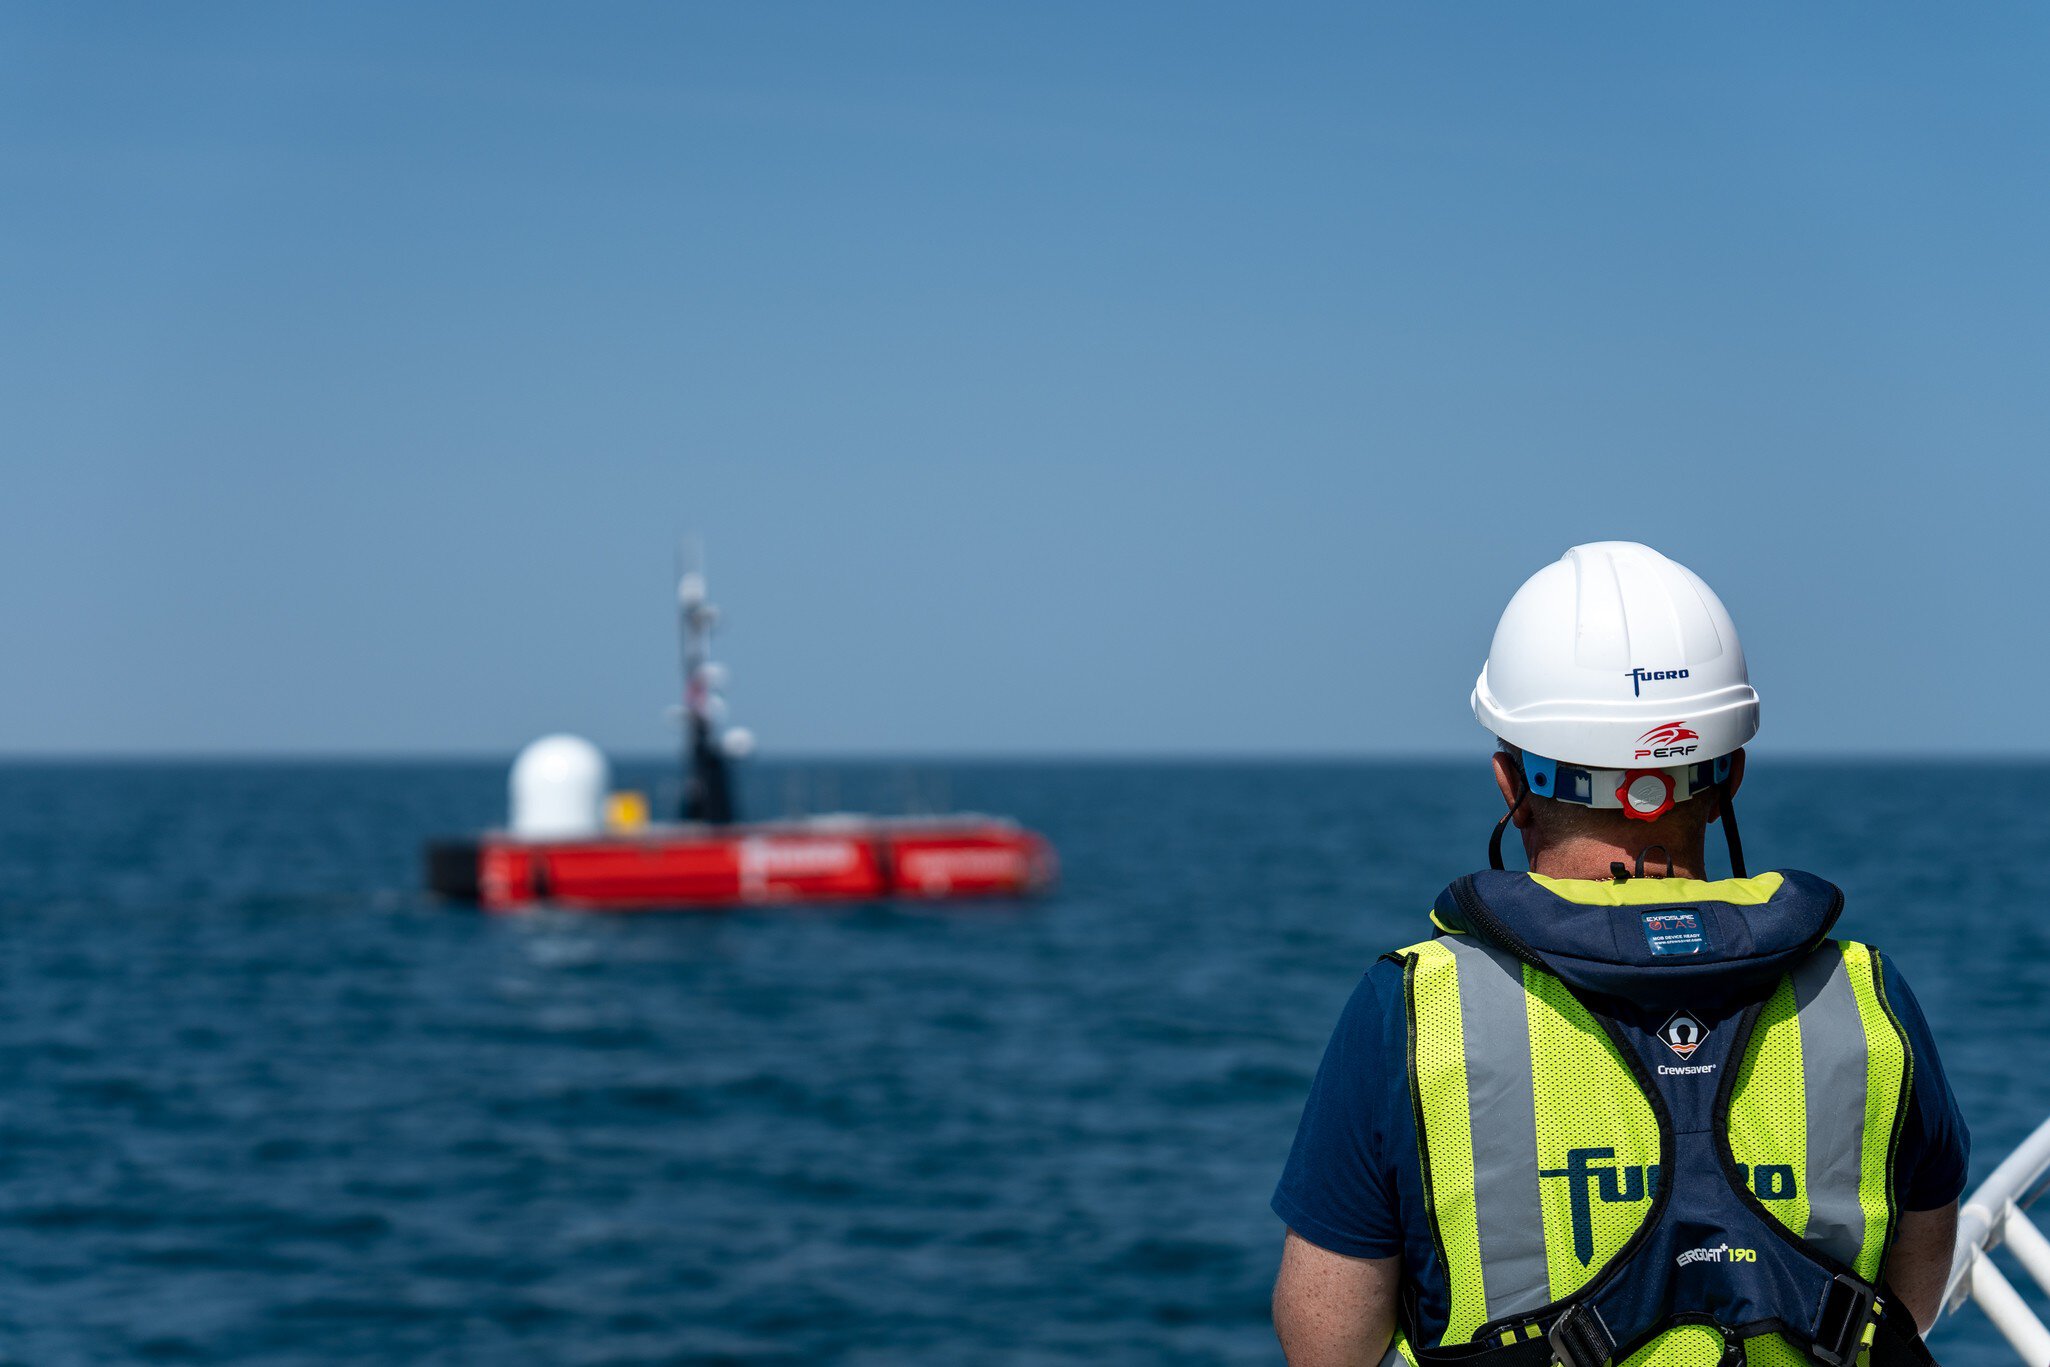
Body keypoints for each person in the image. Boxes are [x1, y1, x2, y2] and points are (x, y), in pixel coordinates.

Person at [1271, 542, 1969, 1367]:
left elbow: (1328, 1344)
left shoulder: (1413, 1008)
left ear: (1510, 781)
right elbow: (1911, 1301)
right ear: (1730, 776)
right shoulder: (1866, 995)